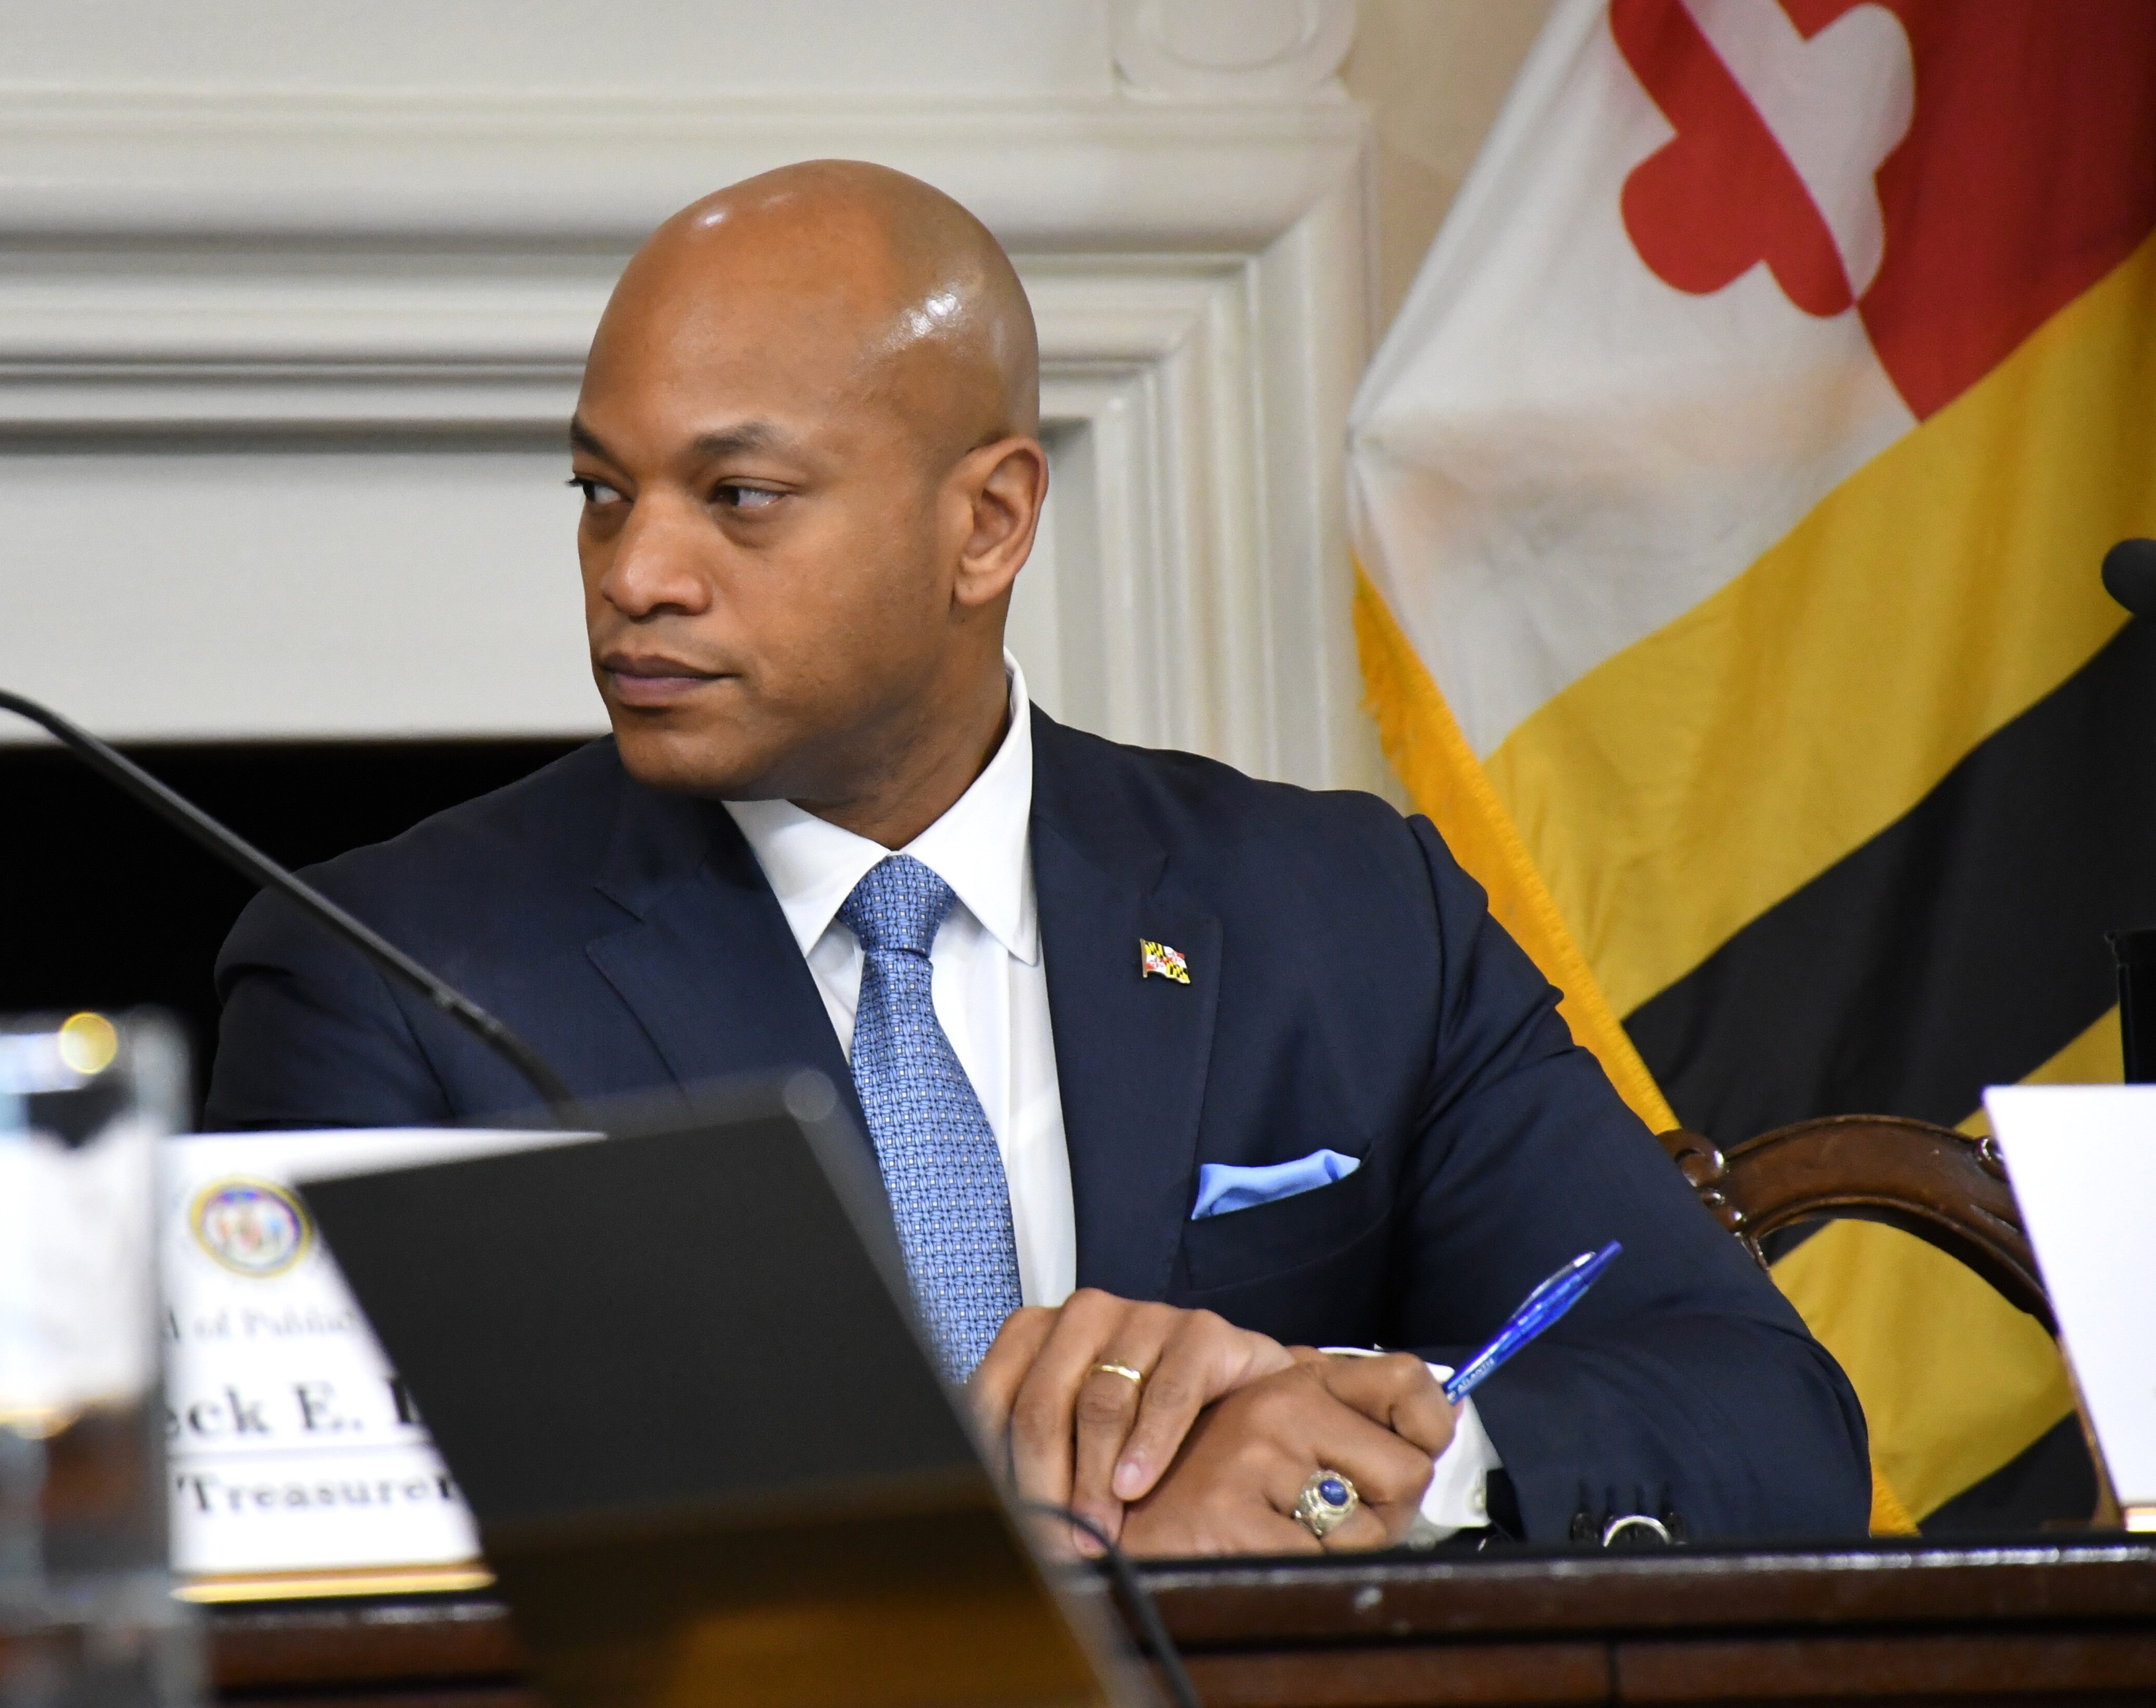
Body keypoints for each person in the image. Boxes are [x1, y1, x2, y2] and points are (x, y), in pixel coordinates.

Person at [208, 160, 1869, 1556]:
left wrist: (1344, 1451)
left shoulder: (1350, 916)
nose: (636, 571)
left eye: (739, 495)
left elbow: (1759, 1417)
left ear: (987, 524)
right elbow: (316, 1558)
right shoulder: (396, 972)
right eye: (600, 491)